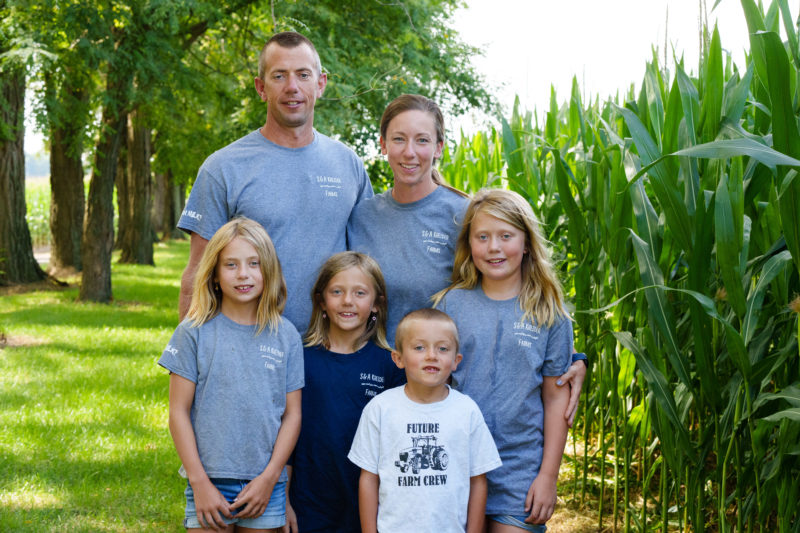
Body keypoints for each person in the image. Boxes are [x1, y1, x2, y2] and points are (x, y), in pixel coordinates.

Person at [347, 93, 587, 427]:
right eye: (398, 139)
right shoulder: (362, 216)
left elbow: (516, 288)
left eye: (422, 140)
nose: (410, 151)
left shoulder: (467, 215)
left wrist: (572, 356)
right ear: (383, 145)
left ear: (439, 147)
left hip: (446, 386)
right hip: (373, 377)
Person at [178, 31, 373, 333]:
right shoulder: (223, 168)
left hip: (333, 347)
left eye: (303, 75)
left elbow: (365, 265)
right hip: (249, 346)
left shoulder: (348, 165)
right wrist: (187, 362)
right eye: (279, 76)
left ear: (320, 84)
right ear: (261, 87)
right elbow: (197, 273)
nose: (292, 87)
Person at [433, 189, 573, 532]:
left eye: (505, 236)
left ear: (526, 243)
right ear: (469, 244)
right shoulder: (450, 306)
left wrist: (548, 477)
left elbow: (556, 400)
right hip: (456, 468)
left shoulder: (549, 314)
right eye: (482, 237)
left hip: (519, 473)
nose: (494, 247)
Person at [160, 217, 304, 532]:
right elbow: (178, 411)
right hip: (208, 481)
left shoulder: (286, 336)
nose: (243, 274)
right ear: (213, 274)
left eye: (254, 263)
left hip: (265, 484)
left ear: (269, 271)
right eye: (231, 265)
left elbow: (292, 415)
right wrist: (199, 482)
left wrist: (269, 478)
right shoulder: (192, 333)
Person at [348, 308, 502, 533]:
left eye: (443, 348)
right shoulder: (380, 409)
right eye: (419, 347)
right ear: (398, 358)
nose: (432, 355)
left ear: (456, 360)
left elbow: (478, 481)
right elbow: (369, 479)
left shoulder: (466, 410)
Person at [285, 252, 405, 532]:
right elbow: (285, 435)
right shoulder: (300, 359)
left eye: (360, 293)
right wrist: (284, 501)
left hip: (367, 505)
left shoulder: (391, 365)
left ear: (377, 304)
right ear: (321, 301)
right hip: (307, 501)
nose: (347, 301)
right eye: (337, 291)